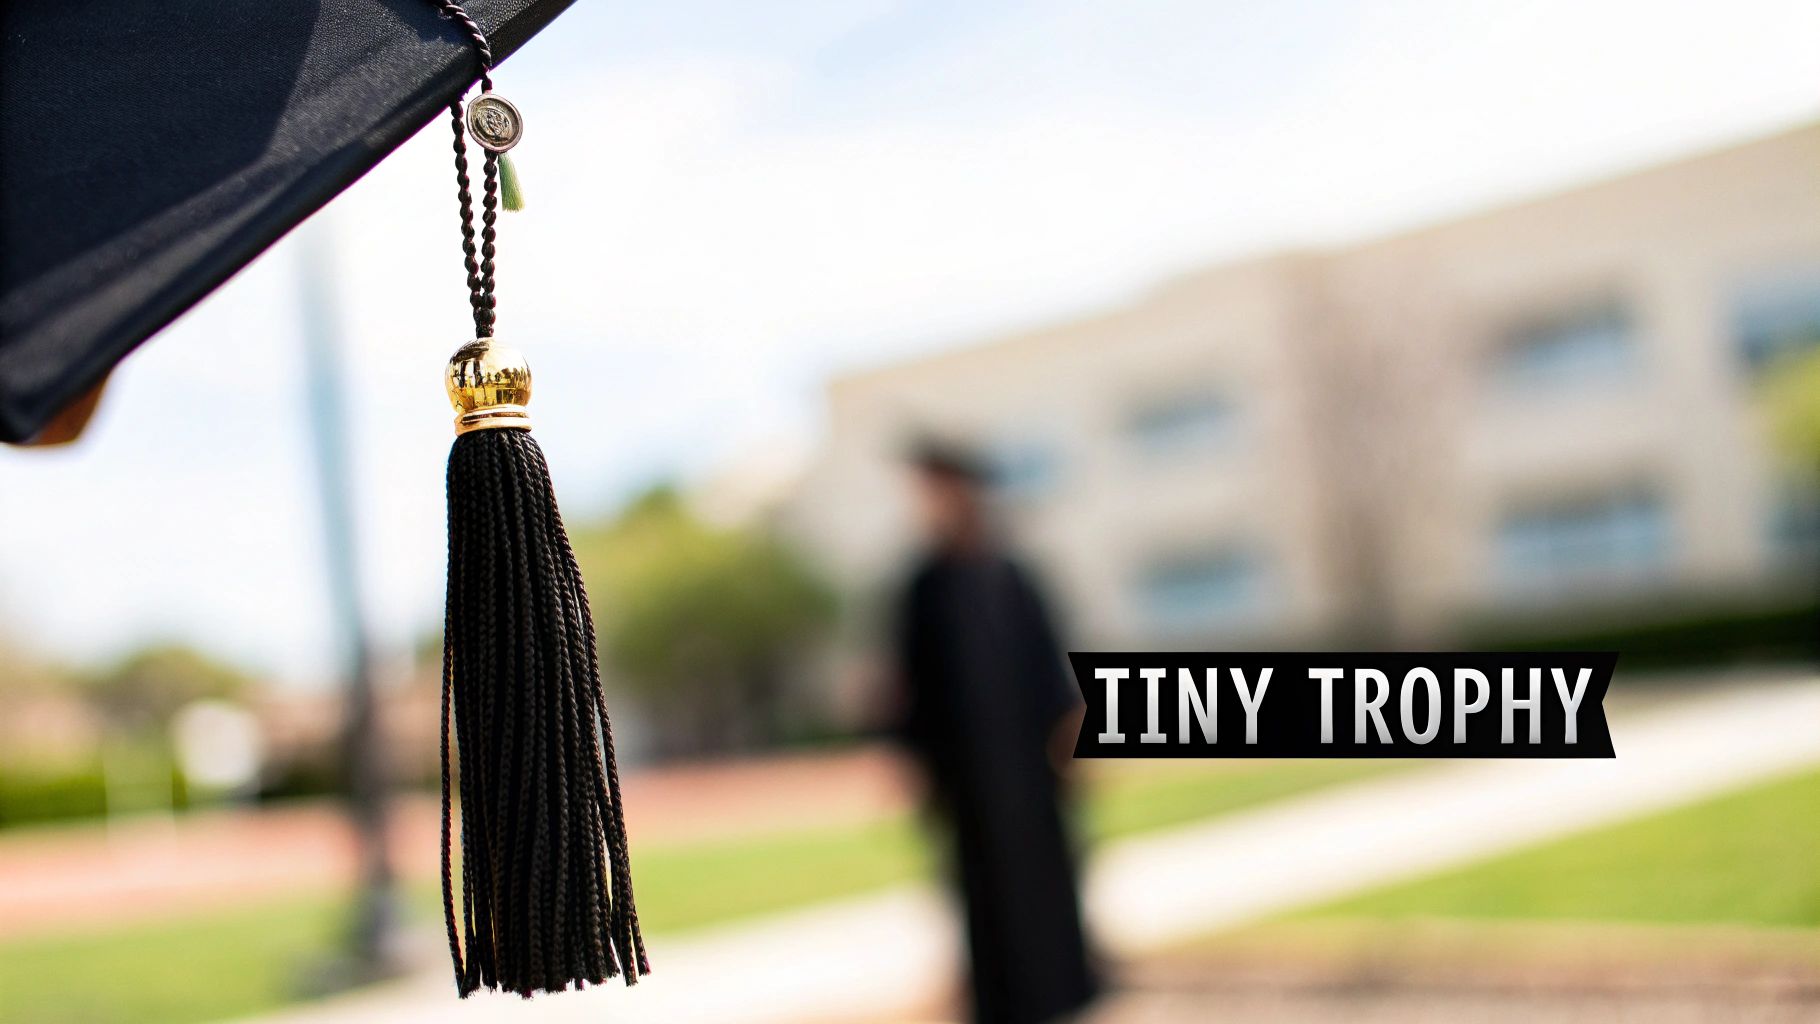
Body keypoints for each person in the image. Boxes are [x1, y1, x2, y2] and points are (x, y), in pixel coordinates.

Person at [890, 438, 1100, 1024]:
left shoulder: (1013, 576)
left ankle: (1064, 992)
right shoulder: (922, 586)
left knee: (1048, 883)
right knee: (984, 897)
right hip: (968, 777)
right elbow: (911, 688)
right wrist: (913, 759)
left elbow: (1048, 664)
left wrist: (1070, 727)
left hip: (1032, 768)